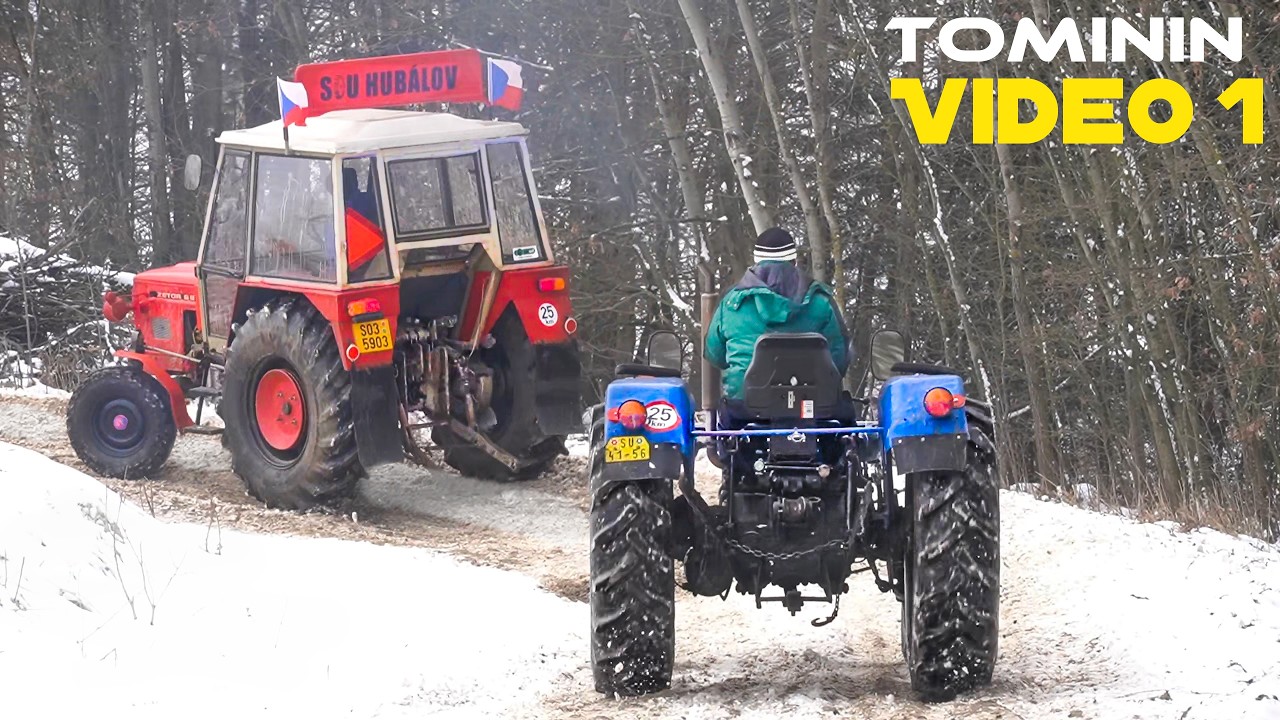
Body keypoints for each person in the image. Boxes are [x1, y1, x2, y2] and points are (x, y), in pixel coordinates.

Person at [705, 227, 849, 402]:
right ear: (794, 260)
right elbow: (840, 359)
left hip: (744, 408)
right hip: (814, 410)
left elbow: (715, 354)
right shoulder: (822, 302)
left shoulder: (731, 303)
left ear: (756, 261)